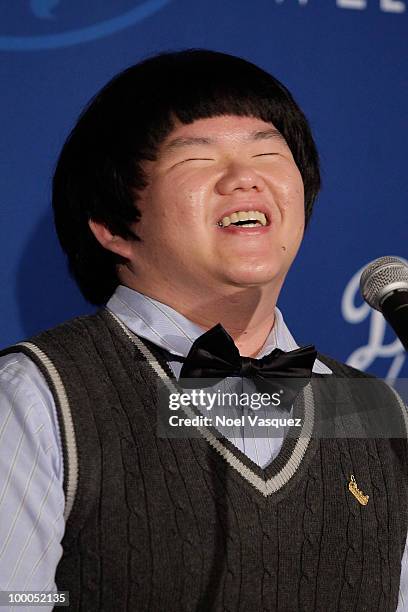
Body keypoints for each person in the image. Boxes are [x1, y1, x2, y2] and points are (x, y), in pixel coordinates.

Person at [0, 49, 407, 612]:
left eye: (268, 152)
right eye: (197, 159)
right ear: (113, 224)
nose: (246, 178)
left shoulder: (376, 412)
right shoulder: (36, 395)